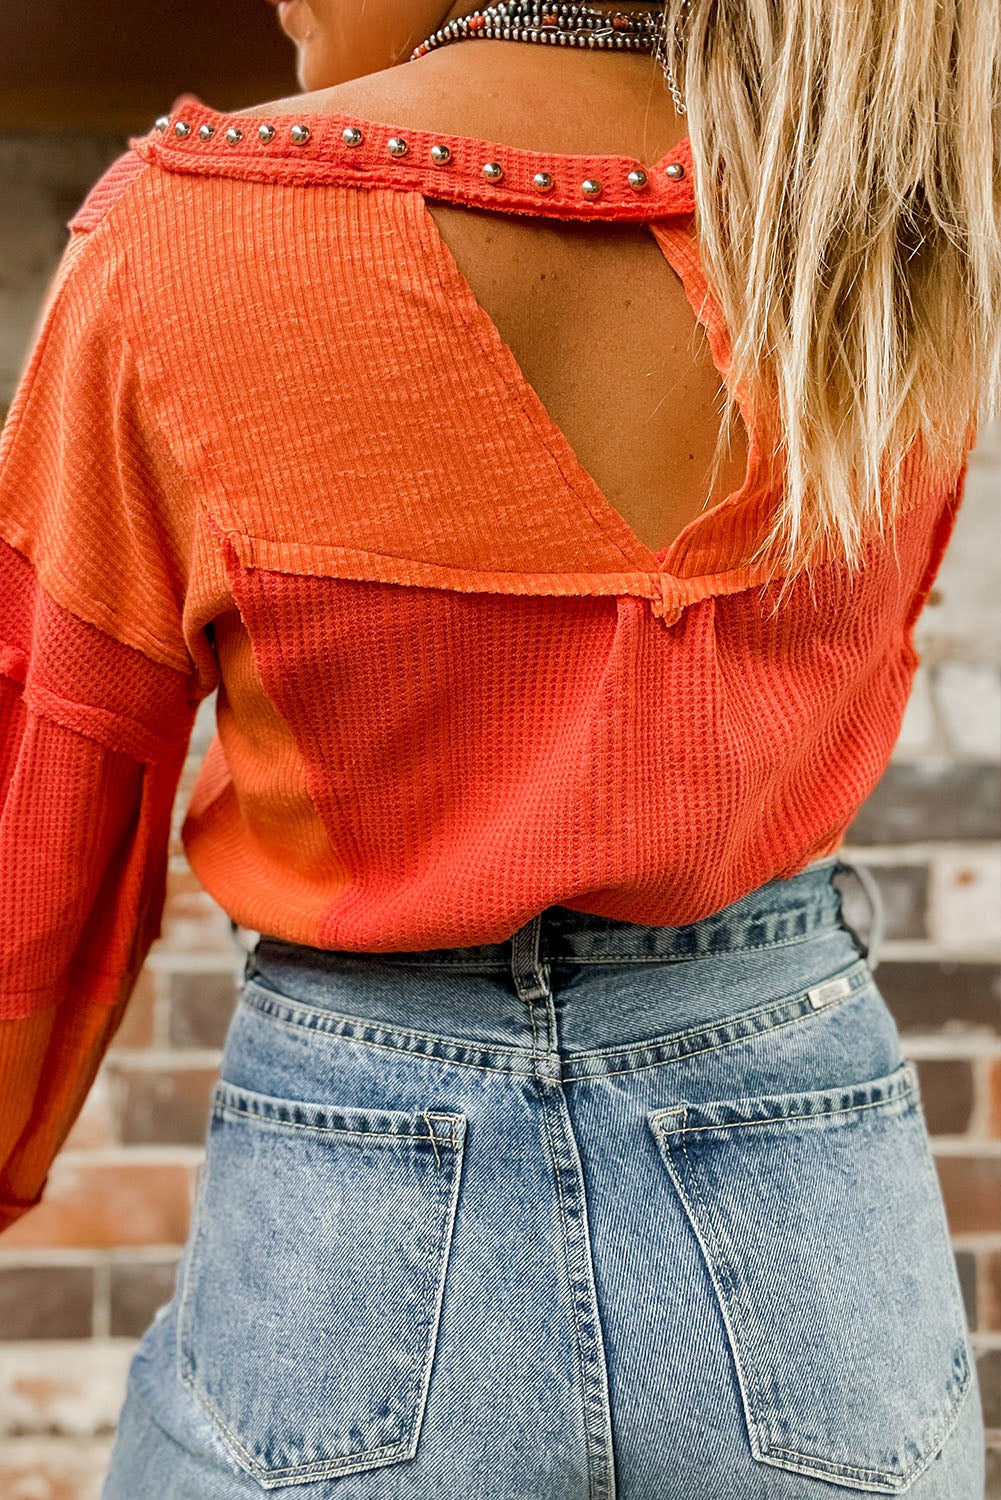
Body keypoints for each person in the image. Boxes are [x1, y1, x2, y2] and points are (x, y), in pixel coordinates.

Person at [1, 0, 997, 1494]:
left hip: (352, 1221)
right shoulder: (876, 224)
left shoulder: (182, 237)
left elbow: (44, 817)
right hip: (808, 1223)